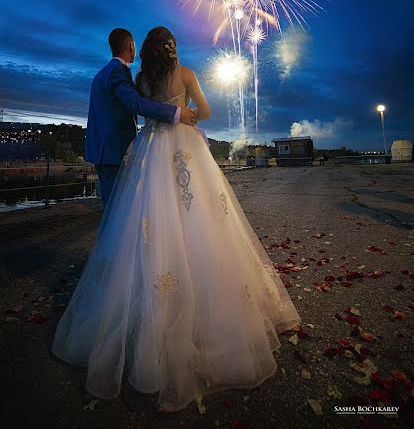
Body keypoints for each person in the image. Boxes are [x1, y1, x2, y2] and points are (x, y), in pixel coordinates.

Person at [52, 26, 301, 413]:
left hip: (146, 149)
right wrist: (185, 114)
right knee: (195, 213)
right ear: (168, 49)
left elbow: (135, 106)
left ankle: (137, 294)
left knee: (138, 217)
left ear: (144, 51)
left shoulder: (135, 77)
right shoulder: (180, 74)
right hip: (178, 143)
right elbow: (203, 111)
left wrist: (164, 116)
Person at [84, 28, 196, 206]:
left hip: (102, 148)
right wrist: (176, 112)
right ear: (131, 46)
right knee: (115, 207)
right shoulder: (118, 72)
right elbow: (135, 103)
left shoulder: (102, 73)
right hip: (114, 150)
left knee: (112, 204)